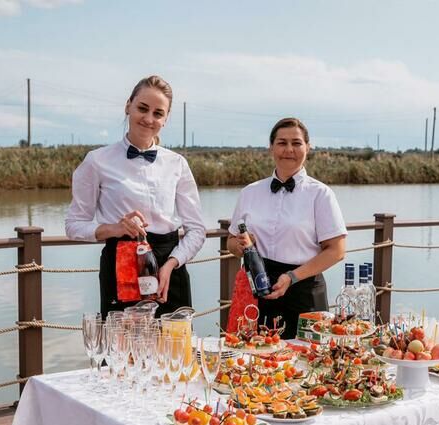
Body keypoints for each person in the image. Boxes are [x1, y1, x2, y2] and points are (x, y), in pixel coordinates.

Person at [65, 75, 205, 320]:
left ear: (165, 119)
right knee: (122, 344)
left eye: (158, 113)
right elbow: (73, 226)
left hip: (169, 271)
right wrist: (114, 228)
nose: (149, 119)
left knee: (174, 344)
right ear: (128, 106)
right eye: (142, 108)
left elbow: (197, 230)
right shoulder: (96, 161)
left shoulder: (177, 163)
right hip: (120, 269)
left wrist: (172, 263)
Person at [227, 117, 346, 339]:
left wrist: (292, 276)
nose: (289, 149)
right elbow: (231, 242)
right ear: (271, 147)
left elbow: (336, 251)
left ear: (307, 147)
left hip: (305, 292)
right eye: (282, 143)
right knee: (255, 355)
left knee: (309, 357)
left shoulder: (321, 194)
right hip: (259, 291)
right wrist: (241, 246)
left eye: (296, 143)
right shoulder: (249, 192)